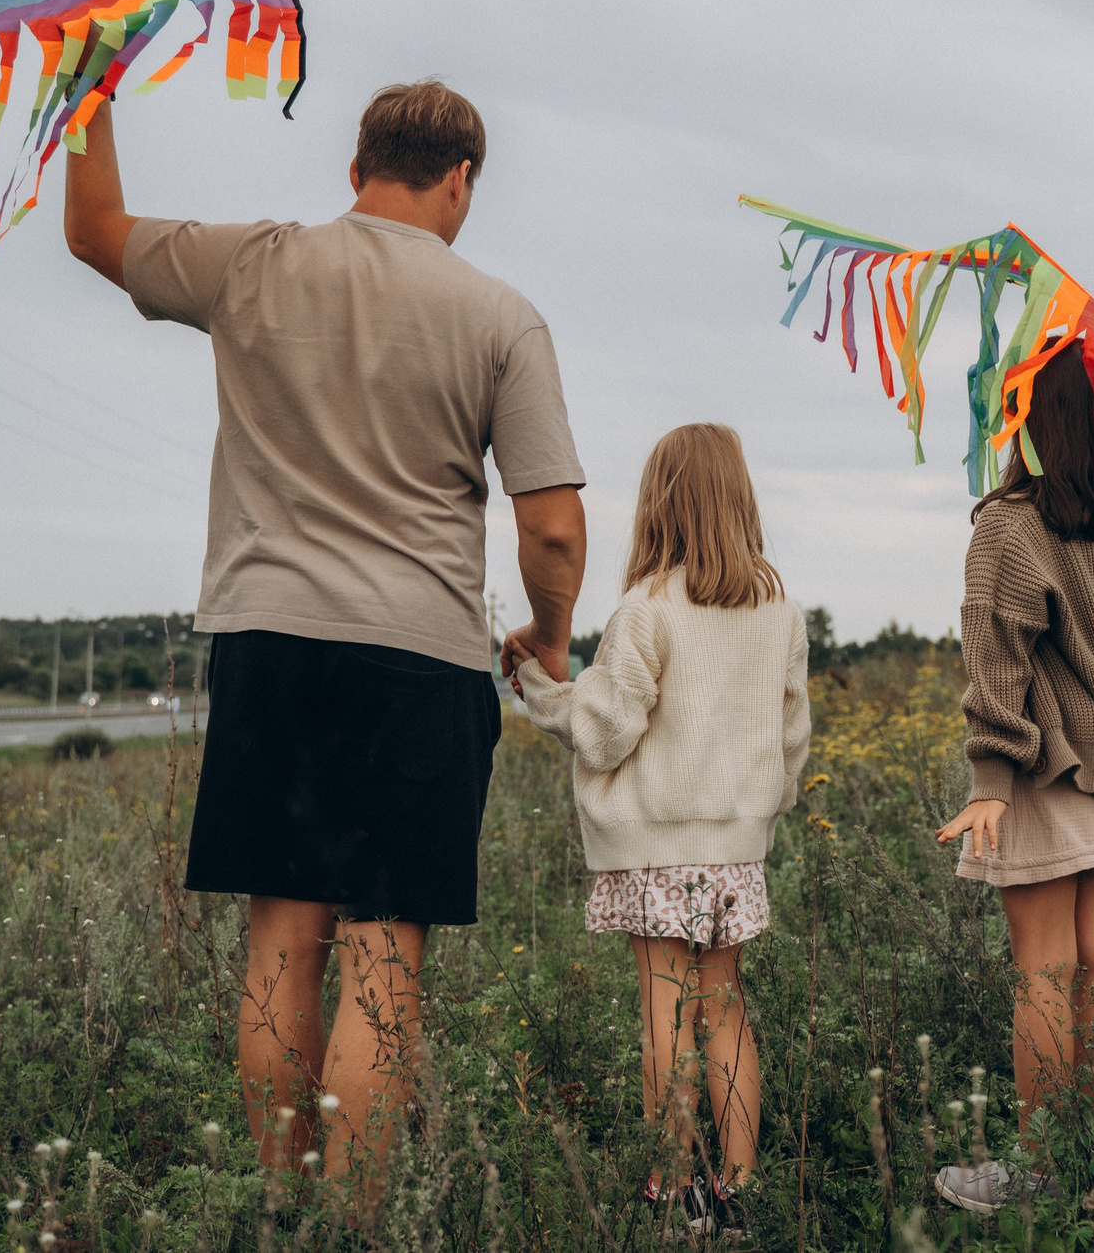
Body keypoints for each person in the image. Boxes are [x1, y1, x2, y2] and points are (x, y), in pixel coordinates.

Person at [64, 79, 588, 1184]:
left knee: (280, 949)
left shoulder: (249, 263)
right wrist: (550, 635)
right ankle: (355, 1224)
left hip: (271, 646)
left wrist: (90, 88)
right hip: (420, 661)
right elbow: (551, 524)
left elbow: (95, 231)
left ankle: (280, 1203)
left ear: (355, 170)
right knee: (382, 963)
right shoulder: (501, 316)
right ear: (461, 181)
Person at [513, 424, 810, 1241]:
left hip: (655, 852)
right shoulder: (780, 610)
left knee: (665, 1017)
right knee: (726, 1011)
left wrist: (539, 686)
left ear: (659, 502)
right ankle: (738, 1186)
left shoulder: (645, 610)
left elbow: (605, 731)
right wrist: (757, 813)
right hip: (735, 852)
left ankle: (675, 1185)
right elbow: (791, 737)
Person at [931, 341, 1094, 1215]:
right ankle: (1090, 1159)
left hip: (1048, 767)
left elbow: (994, 657)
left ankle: (1041, 1170)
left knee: (1043, 968)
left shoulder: (1011, 525)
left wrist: (990, 780)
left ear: (1026, 418)